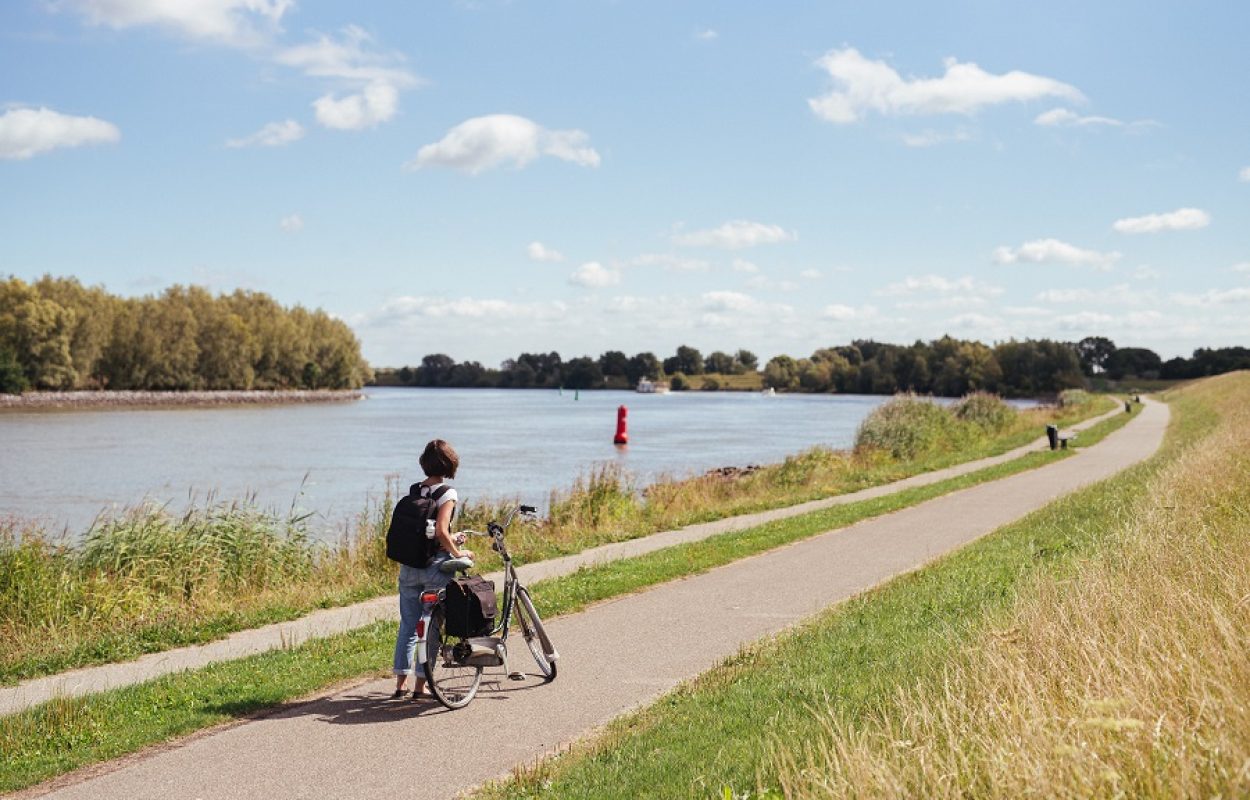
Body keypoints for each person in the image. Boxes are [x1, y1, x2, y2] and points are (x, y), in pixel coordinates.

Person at [392, 439, 474, 700]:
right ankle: (421, 686)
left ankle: (399, 685)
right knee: (431, 628)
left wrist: (452, 536)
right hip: (434, 570)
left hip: (409, 566)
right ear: (450, 463)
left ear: (425, 463)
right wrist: (458, 552)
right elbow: (440, 531)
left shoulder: (416, 489)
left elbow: (429, 531)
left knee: (408, 626)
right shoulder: (447, 494)